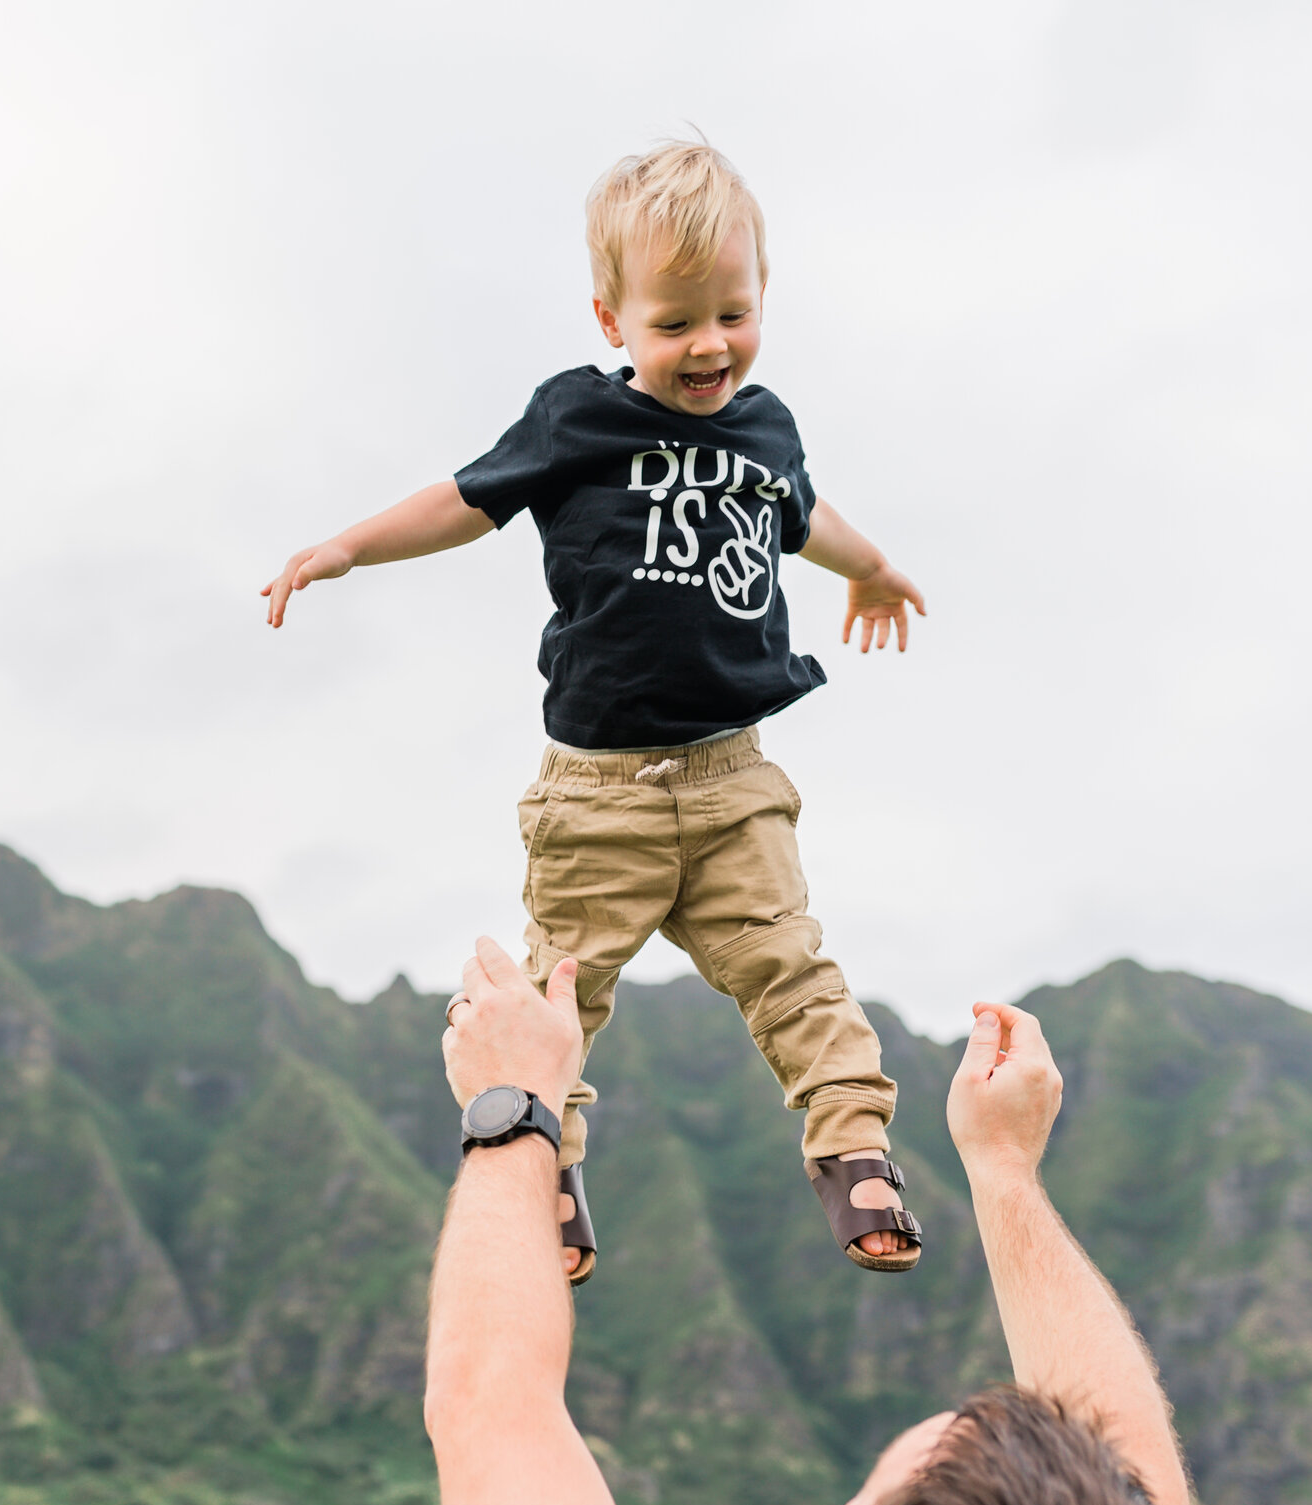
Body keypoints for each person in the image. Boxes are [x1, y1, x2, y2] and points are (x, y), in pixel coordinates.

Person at [261, 140, 930, 1284]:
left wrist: (869, 569)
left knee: (793, 969)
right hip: (596, 794)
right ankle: (546, 1170)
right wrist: (347, 548)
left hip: (733, 781)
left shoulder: (766, 431)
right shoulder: (575, 419)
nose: (709, 344)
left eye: (732, 310)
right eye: (675, 323)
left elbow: (804, 517)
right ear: (611, 319)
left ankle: (852, 1148)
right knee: (561, 995)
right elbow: (466, 499)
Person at [428, 937, 1245, 1505]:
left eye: (870, 1496)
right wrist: (1002, 1167)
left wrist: (511, 1099)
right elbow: (1144, 1478)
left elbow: (489, 1404)